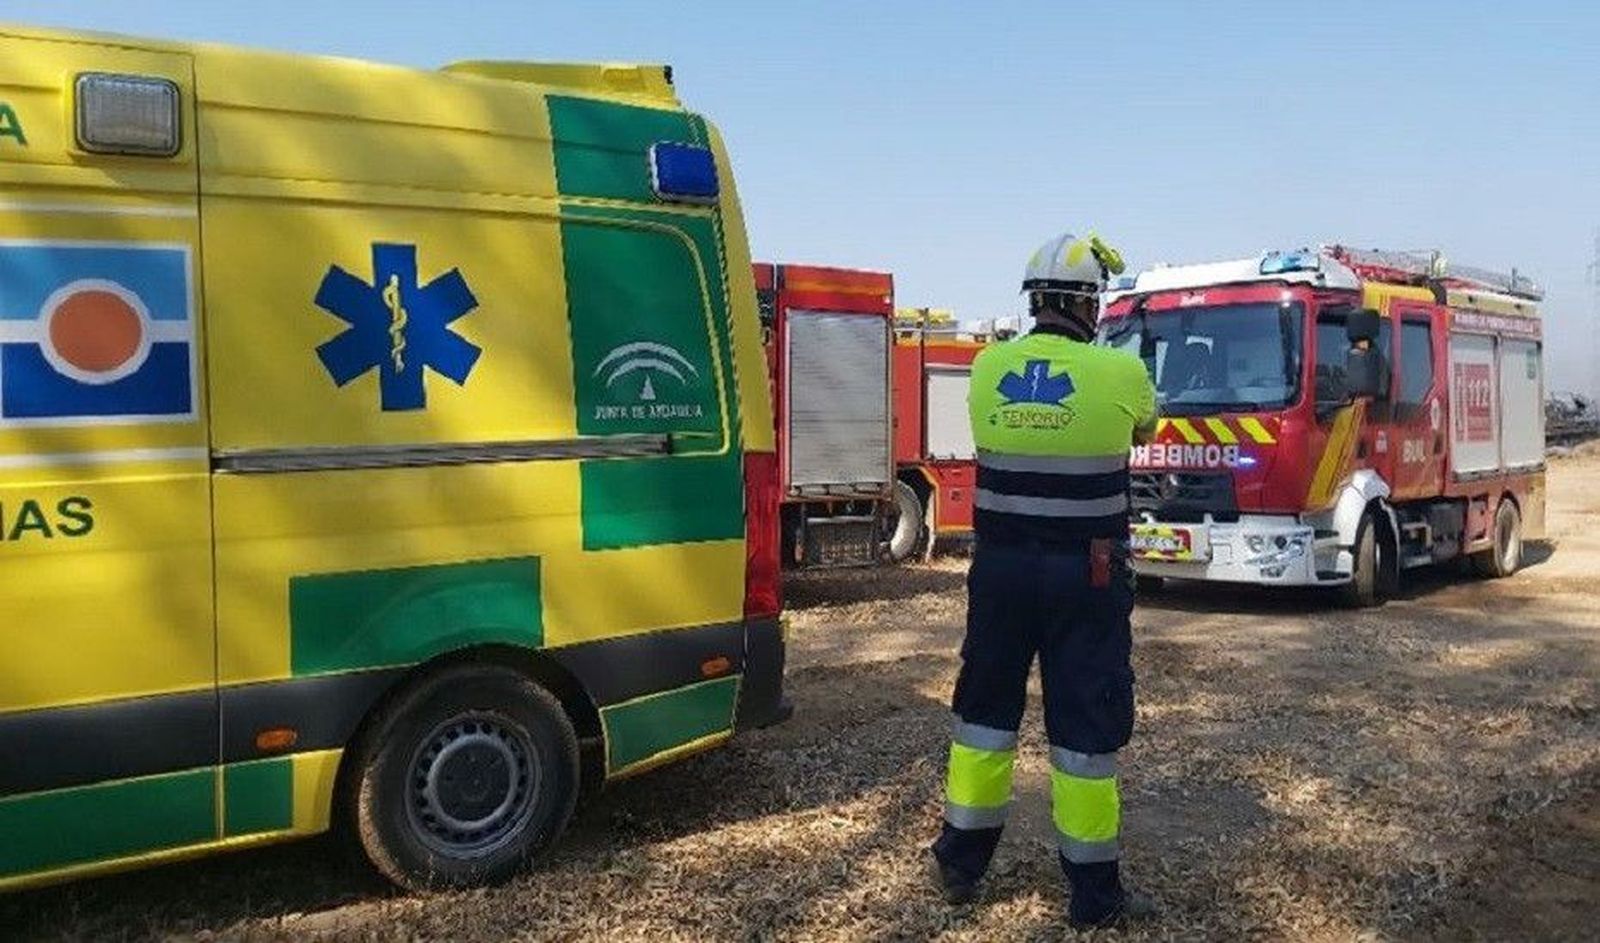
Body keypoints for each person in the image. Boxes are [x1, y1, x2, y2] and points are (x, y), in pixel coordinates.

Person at [932, 230, 1158, 929]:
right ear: (1091, 305)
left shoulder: (986, 367)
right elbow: (1145, 428)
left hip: (999, 571)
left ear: (1033, 301)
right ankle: (1093, 896)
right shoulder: (1120, 373)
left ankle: (959, 865)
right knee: (1085, 728)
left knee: (984, 715)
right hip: (1086, 575)